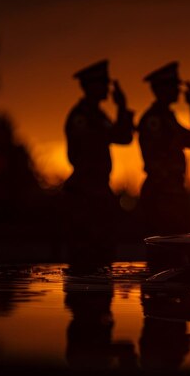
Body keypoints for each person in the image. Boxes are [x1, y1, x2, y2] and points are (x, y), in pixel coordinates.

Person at [63, 59, 134, 254]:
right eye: (102, 83)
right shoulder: (82, 117)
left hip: (97, 189)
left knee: (103, 249)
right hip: (85, 191)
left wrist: (122, 106)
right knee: (85, 250)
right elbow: (117, 135)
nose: (106, 87)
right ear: (90, 86)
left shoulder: (97, 115)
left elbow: (123, 137)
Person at [137, 62, 190, 235]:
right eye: (173, 87)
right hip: (162, 192)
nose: (178, 91)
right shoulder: (154, 120)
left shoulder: (168, 118)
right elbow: (154, 160)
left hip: (172, 190)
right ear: (162, 89)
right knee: (164, 243)